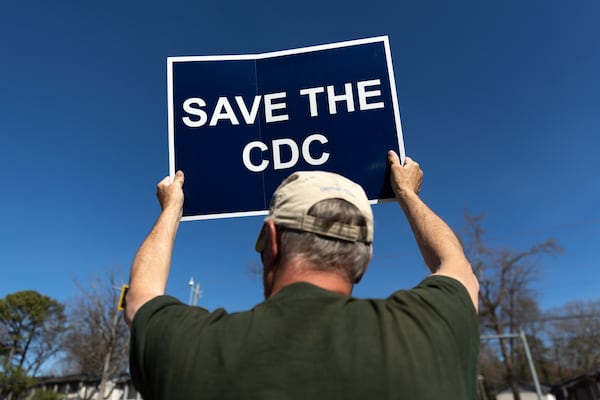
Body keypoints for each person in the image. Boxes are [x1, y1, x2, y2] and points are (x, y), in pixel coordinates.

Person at [125, 150, 480, 400]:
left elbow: (141, 297)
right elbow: (456, 266)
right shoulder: (432, 332)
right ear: (363, 261)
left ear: (273, 242)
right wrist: (406, 193)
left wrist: (171, 208)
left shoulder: (194, 350)